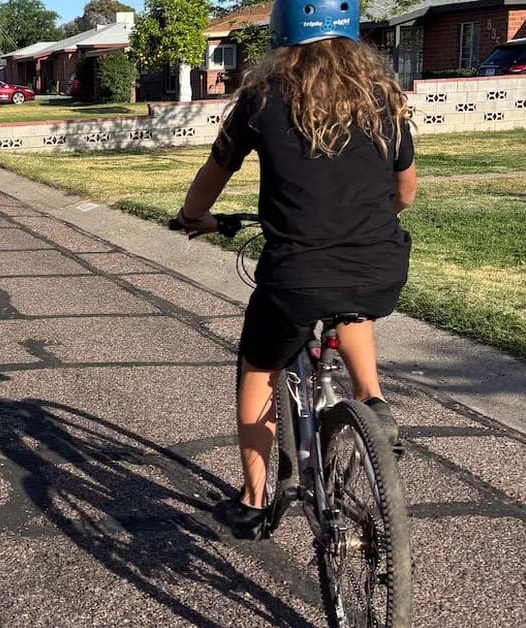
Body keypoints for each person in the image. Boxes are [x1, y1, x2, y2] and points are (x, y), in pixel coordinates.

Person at [175, 0, 417, 539]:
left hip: (294, 275)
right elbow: (406, 191)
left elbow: (210, 179)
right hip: (378, 264)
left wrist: (193, 218)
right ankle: (372, 402)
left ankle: (256, 497)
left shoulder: (262, 99)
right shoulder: (384, 101)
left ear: (281, 36)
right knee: (350, 302)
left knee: (258, 363)